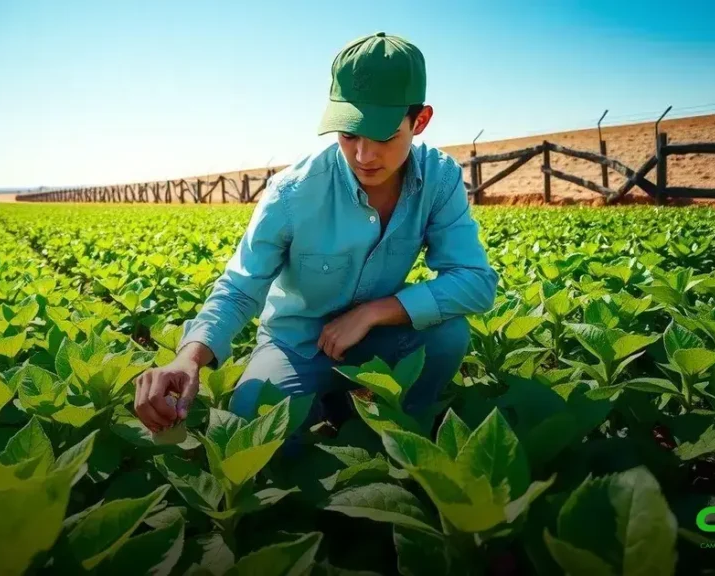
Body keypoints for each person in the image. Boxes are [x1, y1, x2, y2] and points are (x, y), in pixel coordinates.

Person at [134, 31, 499, 438]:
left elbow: (476, 281)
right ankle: (328, 399)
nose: (363, 155)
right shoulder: (292, 193)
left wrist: (373, 312)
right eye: (349, 134)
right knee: (254, 420)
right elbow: (240, 288)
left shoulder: (439, 178)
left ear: (420, 121)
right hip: (298, 346)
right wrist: (188, 357)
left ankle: (405, 431)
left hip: (376, 336)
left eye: (384, 135)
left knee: (448, 334)